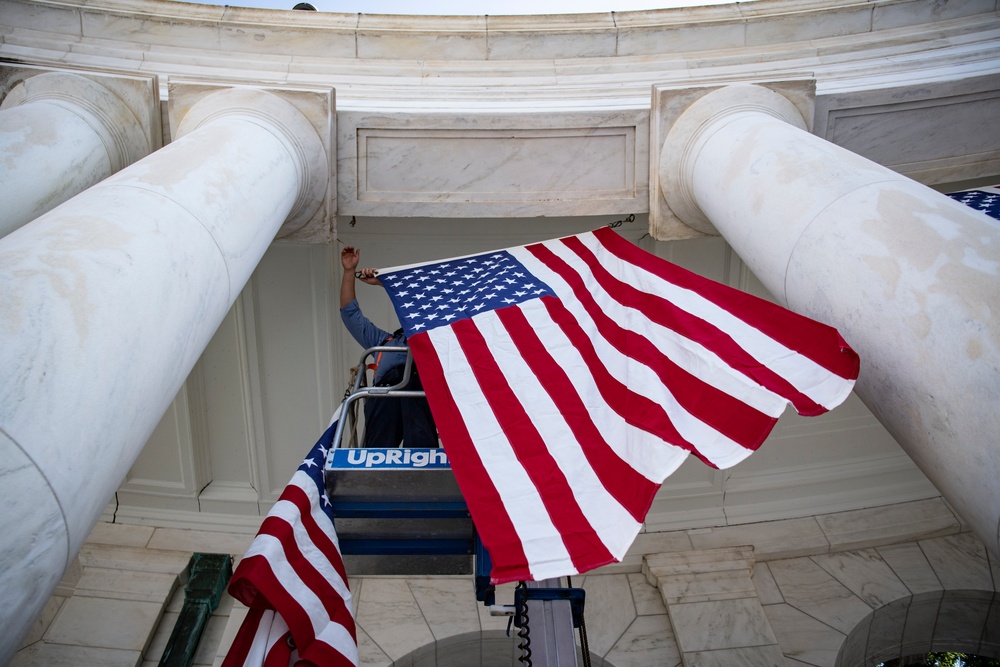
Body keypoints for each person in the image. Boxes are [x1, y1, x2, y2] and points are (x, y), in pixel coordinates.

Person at [339, 245, 438, 448]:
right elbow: (350, 314)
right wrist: (349, 271)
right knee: (379, 437)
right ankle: (375, 473)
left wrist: (385, 283)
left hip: (420, 394)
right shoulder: (384, 342)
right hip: (385, 393)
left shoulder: (435, 339)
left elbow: (430, 303)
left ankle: (422, 471)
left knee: (420, 435)